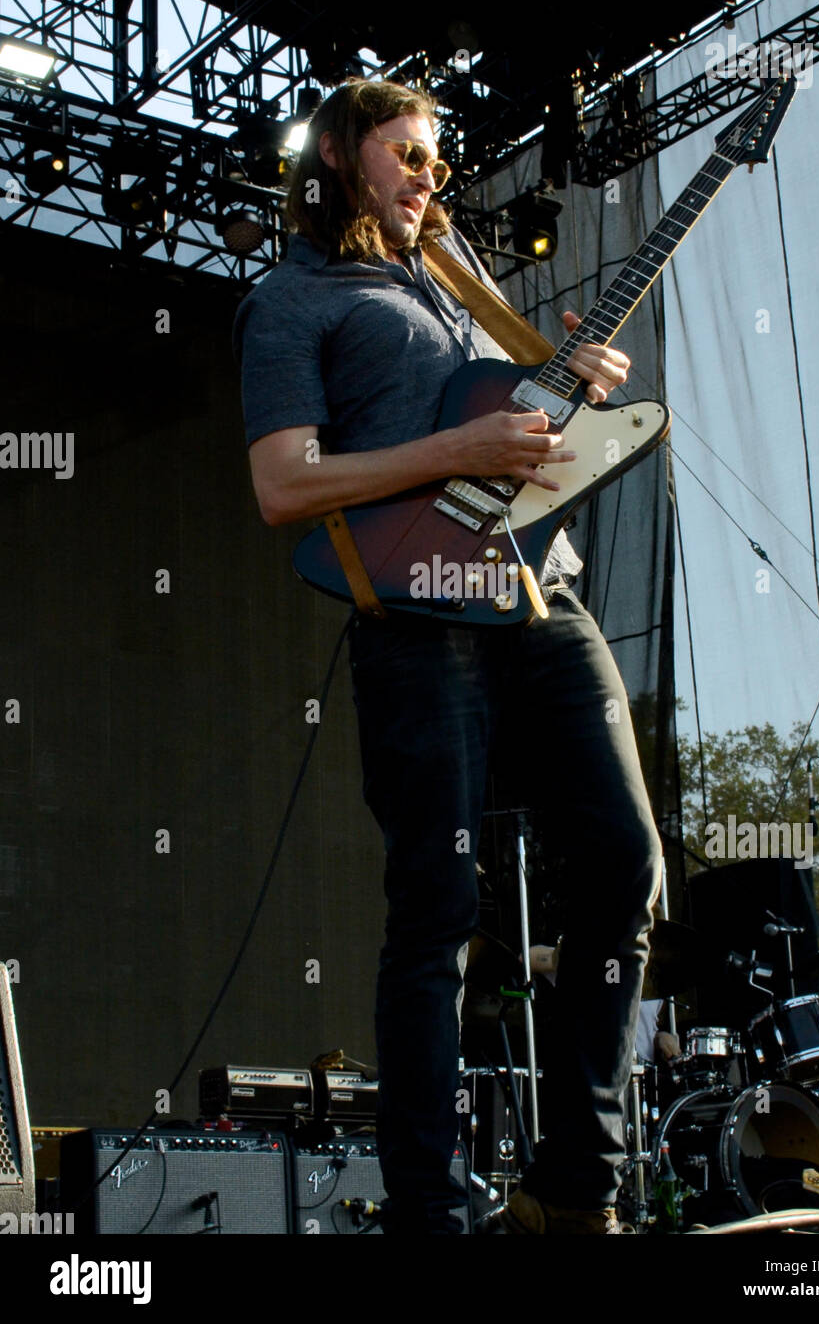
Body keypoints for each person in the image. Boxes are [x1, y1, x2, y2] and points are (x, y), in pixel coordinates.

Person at [233, 77, 664, 1235]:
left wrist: (558, 387)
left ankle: (577, 1184)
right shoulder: (294, 296)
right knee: (440, 905)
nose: (432, 173)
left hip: (541, 590)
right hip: (419, 612)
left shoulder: (460, 290)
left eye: (438, 155)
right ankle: (431, 1207)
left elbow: (514, 442)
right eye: (407, 153)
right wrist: (458, 443)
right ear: (337, 160)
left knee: (624, 862)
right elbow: (284, 485)